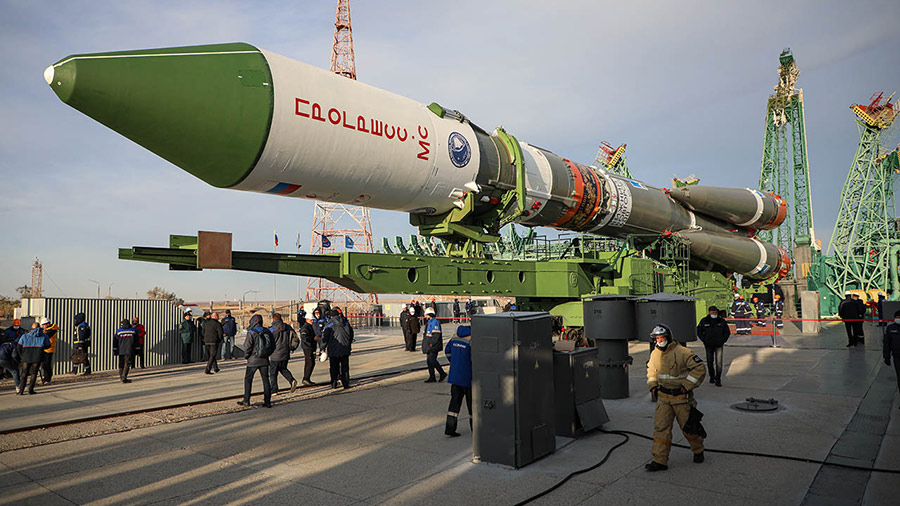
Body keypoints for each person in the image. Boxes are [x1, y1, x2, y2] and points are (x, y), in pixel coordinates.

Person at [645, 324, 706, 471]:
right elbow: (651, 370)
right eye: (656, 338)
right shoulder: (655, 353)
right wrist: (652, 385)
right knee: (661, 429)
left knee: (689, 428)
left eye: (662, 337)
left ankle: (698, 450)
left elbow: (699, 368)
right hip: (664, 398)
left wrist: (687, 386)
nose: (659, 340)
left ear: (668, 337)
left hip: (681, 399)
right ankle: (660, 460)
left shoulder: (683, 352)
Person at [238, 314, 273, 407]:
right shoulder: (267, 331)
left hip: (253, 360)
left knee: (248, 380)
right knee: (266, 380)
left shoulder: (251, 332)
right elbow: (273, 345)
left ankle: (246, 400)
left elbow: (247, 346)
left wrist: (247, 356)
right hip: (264, 360)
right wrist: (267, 354)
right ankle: (267, 401)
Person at [444, 325, 473, 437]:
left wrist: (454, 362)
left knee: (454, 404)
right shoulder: (471, 339)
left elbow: (447, 352)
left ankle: (450, 429)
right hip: (468, 377)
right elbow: (473, 359)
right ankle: (475, 429)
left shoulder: (454, 337)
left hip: (455, 376)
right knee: (472, 405)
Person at [696, 306, 729, 387]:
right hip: (708, 345)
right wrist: (704, 339)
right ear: (709, 312)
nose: (713, 313)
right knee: (709, 362)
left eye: (714, 312)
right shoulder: (704, 321)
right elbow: (699, 331)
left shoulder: (721, 321)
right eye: (712, 312)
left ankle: (718, 379)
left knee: (719, 363)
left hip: (719, 344)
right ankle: (712, 377)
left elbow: (727, 332)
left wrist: (722, 340)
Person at [320, 310, 353, 389]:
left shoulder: (330, 324)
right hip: (345, 348)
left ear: (331, 316)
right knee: (345, 367)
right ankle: (346, 384)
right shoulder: (346, 322)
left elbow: (325, 337)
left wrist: (322, 347)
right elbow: (351, 335)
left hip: (333, 349)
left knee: (334, 367)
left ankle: (334, 383)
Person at [268, 313, 299, 394]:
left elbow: (268, 342)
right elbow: (295, 338)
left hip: (275, 354)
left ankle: (274, 390)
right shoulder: (288, 327)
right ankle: (292, 380)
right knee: (283, 369)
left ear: (273, 319)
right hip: (285, 352)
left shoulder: (272, 329)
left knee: (273, 373)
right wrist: (292, 348)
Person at [17, 323, 50, 395]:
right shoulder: (44, 336)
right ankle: (30, 390)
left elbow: (19, 347)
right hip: (37, 357)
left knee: (24, 373)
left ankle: (21, 390)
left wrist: (22, 355)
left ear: (31, 327)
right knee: (34, 373)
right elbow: (48, 345)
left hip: (26, 357)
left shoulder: (25, 336)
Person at [422, 307, 446, 383]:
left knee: (432, 360)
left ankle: (442, 373)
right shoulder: (429, 322)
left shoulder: (435, 322)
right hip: (429, 345)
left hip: (433, 345)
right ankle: (432, 376)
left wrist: (431, 344)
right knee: (429, 361)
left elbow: (436, 335)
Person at [883, 310, 900, 408]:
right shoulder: (890, 328)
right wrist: (886, 356)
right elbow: (886, 344)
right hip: (897, 356)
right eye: (897, 317)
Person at [113, 319, 137, 383]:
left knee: (121, 363)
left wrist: (115, 350)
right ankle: (124, 377)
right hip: (129, 350)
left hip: (121, 350)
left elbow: (115, 341)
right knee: (127, 363)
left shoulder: (118, 332)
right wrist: (137, 349)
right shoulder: (133, 331)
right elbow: (136, 341)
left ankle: (121, 376)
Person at [38, 317, 59, 385]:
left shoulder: (52, 330)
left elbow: (45, 336)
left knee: (46, 364)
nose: (43, 326)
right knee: (44, 364)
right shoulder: (47, 329)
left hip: (49, 349)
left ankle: (48, 378)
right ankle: (46, 378)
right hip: (45, 349)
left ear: (47, 324)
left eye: (43, 325)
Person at [299, 317, 317, 386]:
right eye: (311, 320)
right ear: (307, 320)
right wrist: (313, 338)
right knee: (309, 363)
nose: (312, 321)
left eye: (312, 320)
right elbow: (304, 338)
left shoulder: (310, 326)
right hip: (307, 347)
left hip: (310, 347)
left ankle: (307, 378)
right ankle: (306, 378)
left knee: (311, 362)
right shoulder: (305, 327)